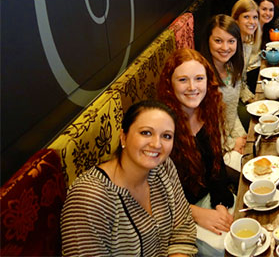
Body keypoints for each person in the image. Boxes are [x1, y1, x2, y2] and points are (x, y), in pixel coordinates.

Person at [60, 99, 197, 257]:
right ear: (123, 137)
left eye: (166, 136)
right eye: (146, 133)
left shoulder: (163, 167)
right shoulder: (89, 199)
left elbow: (182, 228)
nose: (157, 144)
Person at [156, 50, 233, 257]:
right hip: (176, 217)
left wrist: (220, 205)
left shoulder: (208, 109)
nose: (192, 88)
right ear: (170, 84)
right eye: (183, 80)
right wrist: (197, 213)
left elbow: (217, 166)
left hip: (210, 201)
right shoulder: (160, 128)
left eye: (199, 79)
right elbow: (153, 196)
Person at [199, 15, 246, 154]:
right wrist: (231, 144)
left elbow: (231, 112)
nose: (225, 47)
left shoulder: (231, 67)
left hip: (231, 136)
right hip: (213, 148)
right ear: (208, 41)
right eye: (218, 41)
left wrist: (241, 137)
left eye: (231, 41)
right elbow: (204, 128)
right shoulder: (201, 77)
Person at [230, 0, 261, 101]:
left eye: (255, 17)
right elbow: (230, 86)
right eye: (246, 17)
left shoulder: (248, 41)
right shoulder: (230, 45)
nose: (252, 22)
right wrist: (248, 100)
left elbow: (242, 80)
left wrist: (249, 98)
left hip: (241, 92)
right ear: (236, 19)